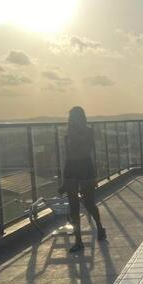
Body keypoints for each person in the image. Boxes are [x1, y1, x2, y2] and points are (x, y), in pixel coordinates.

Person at [59, 106, 106, 253]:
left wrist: (76, 139)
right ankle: (78, 240)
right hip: (72, 168)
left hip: (85, 166)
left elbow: (86, 151)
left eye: (73, 117)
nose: (71, 120)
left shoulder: (88, 131)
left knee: (89, 202)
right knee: (73, 205)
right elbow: (67, 155)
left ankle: (99, 226)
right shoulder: (69, 133)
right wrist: (64, 179)